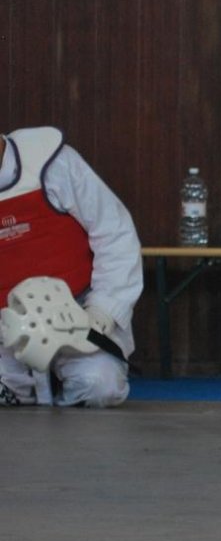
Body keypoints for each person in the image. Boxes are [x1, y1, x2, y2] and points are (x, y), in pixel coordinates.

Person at [0, 127, 142, 406]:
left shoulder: (52, 163)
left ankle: (60, 379)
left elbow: (115, 233)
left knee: (101, 387)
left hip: (74, 316)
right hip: (6, 330)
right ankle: (19, 386)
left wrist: (102, 311)